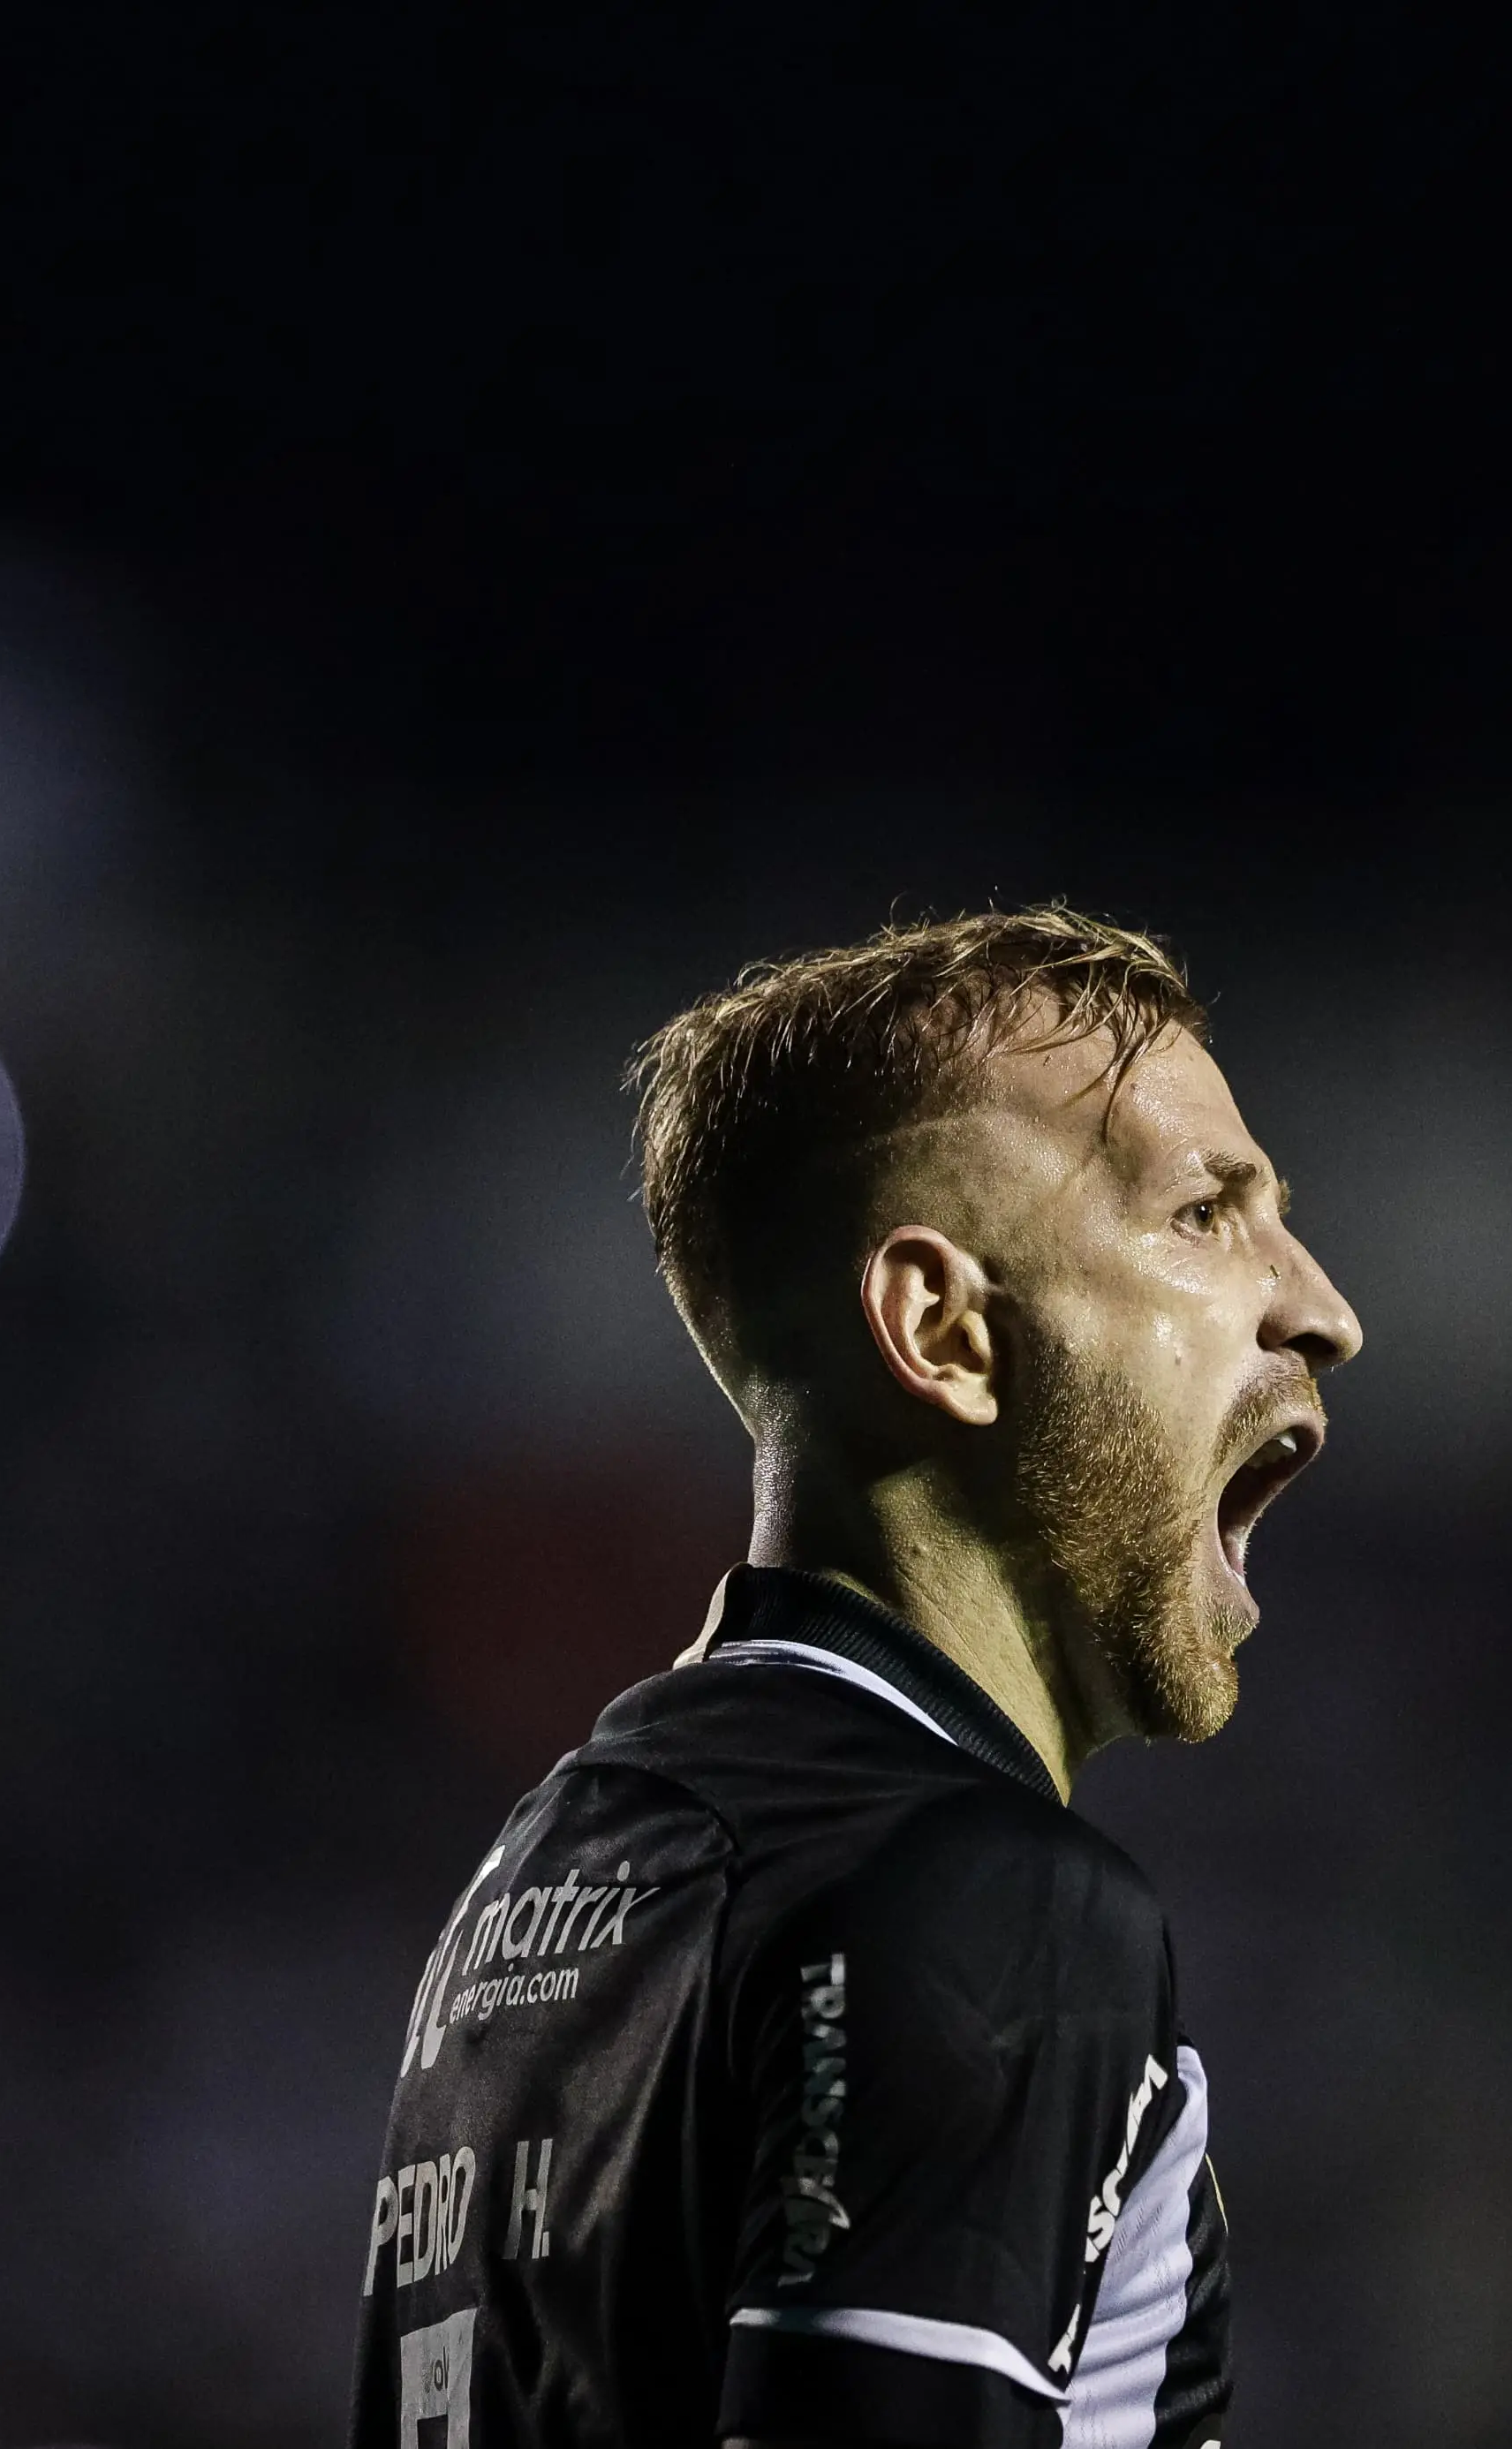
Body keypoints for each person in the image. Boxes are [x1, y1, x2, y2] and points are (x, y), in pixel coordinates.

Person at [349, 907, 1363, 2449]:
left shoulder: (535, 1889)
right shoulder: (984, 1897)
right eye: (1205, 1216)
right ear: (944, 1330)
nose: (1322, 1310)